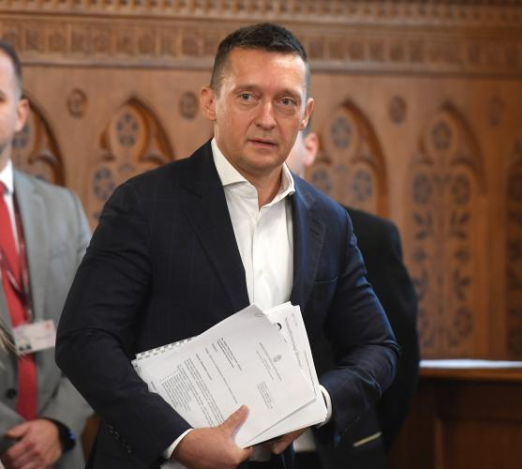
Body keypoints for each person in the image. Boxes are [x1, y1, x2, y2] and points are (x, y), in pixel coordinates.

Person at [56, 23, 399, 469]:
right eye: (247, 96)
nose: (267, 119)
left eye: (286, 101)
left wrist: (316, 402)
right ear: (210, 102)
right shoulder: (145, 203)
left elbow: (378, 346)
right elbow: (84, 340)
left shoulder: (328, 221)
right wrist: (178, 439)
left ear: (306, 113)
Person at [0, 34, 92, 469]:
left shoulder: (64, 207)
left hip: (62, 451)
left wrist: (60, 423)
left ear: (21, 113)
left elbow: (101, 328)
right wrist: (3, 432)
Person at [287, 127, 420, 469]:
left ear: (310, 147)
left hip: (336, 452)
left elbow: (397, 358)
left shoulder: (367, 235)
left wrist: (362, 436)